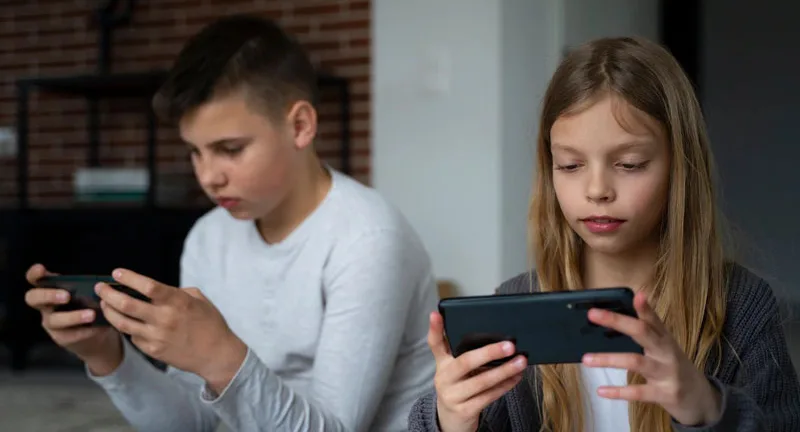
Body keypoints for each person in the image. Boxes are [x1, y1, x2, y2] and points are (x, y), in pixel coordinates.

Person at [24, 14, 438, 432]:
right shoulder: (209, 236)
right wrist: (108, 357)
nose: (208, 177)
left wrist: (219, 357)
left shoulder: (368, 240)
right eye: (195, 152)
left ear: (300, 126)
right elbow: (190, 424)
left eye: (230, 149)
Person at [408, 36, 800, 432]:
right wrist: (450, 420)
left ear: (679, 167)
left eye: (629, 164)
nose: (597, 190)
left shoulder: (741, 307)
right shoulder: (512, 309)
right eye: (570, 165)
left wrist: (707, 409)